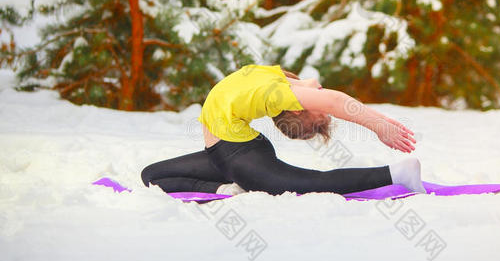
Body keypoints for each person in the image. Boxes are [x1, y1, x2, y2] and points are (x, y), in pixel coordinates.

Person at [140, 64, 424, 196]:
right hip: (230, 156)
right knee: (150, 175)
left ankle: (397, 173)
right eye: (321, 114)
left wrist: (381, 123)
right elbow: (335, 100)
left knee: (311, 184)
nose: (324, 105)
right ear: (298, 109)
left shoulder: (274, 87)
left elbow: (334, 100)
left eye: (319, 114)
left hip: (237, 154)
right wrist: (380, 124)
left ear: (297, 110)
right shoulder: (276, 85)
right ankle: (225, 187)